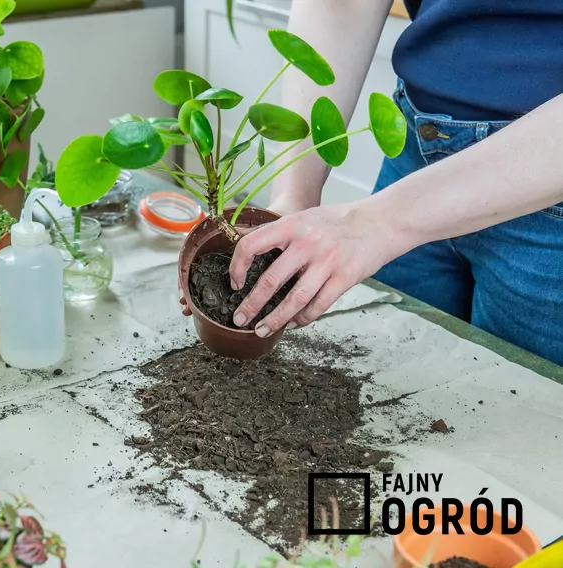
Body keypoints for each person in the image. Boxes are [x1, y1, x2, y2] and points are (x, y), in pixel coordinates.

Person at [187, 0, 563, 366]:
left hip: (544, 186)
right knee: (396, 373)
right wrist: (293, 197)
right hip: (417, 152)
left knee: (523, 406)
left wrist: (377, 223)